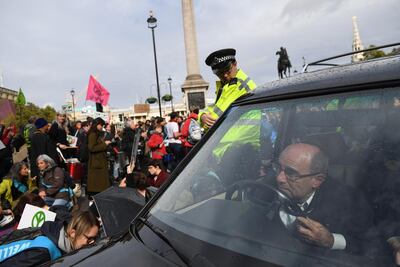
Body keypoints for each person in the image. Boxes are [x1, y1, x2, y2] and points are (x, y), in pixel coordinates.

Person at [272, 143, 378, 256]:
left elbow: (373, 245)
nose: (279, 178)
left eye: (292, 173)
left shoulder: (350, 202)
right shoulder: (262, 188)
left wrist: (331, 241)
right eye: (278, 168)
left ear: (317, 180)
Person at [0, 210, 99, 266]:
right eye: (89, 238)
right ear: (73, 233)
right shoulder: (45, 251)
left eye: (95, 238)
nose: (92, 242)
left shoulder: (56, 235)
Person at [200, 48, 257, 130]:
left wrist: (203, 118)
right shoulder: (226, 85)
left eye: (227, 70)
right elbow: (214, 108)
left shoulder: (239, 85)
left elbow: (214, 118)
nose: (225, 75)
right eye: (220, 73)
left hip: (241, 141)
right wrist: (202, 115)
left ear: (235, 64)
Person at [87, 118, 111, 195]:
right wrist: (105, 144)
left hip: (98, 160)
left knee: (99, 183)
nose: (102, 127)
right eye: (101, 125)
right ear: (97, 124)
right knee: (97, 183)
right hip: (96, 161)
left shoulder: (96, 133)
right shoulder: (93, 134)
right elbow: (92, 148)